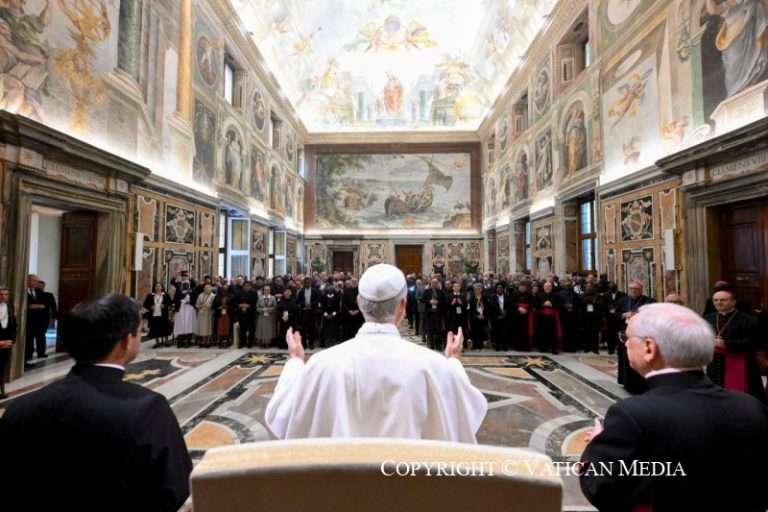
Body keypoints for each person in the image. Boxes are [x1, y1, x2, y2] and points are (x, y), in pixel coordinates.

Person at [0, 294, 192, 511]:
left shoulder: (20, 407)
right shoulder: (147, 407)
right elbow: (174, 491)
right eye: (139, 332)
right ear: (127, 340)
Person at [265, 264, 487, 442]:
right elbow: (467, 414)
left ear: (360, 303)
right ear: (403, 305)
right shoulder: (435, 367)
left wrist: (295, 362)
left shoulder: (321, 364)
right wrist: (453, 361)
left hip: (341, 484)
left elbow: (281, 415)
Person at [580, 303, 768, 512]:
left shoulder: (633, 415)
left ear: (649, 348)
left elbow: (601, 489)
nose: (625, 344)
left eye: (627, 337)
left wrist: (596, 445)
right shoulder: (752, 407)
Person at [704, 289, 764, 402]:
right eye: (715, 300)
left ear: (733, 302)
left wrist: (726, 344)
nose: (718, 302)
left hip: (742, 363)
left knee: (743, 398)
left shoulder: (748, 320)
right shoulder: (707, 319)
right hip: (715, 363)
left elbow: (755, 343)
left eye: (723, 300)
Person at [615, 280, 655, 393]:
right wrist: (624, 315)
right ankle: (626, 383)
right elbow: (615, 314)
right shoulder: (623, 300)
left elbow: (655, 316)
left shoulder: (649, 301)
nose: (633, 290)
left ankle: (641, 384)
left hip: (641, 335)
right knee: (626, 358)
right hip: (625, 334)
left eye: (636, 289)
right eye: (631, 288)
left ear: (641, 290)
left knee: (639, 358)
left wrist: (640, 316)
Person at [24, 273, 48, 364]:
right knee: (28, 338)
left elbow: (45, 305)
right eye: (34, 281)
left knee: (41, 336)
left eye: (37, 281)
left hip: (39, 320)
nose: (36, 283)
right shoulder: (22, 291)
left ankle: (41, 352)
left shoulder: (39, 292)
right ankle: (27, 355)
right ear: (27, 281)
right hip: (27, 320)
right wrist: (30, 307)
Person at [143, 282, 172, 348]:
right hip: (154, 315)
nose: (158, 287)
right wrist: (150, 306)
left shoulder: (165, 295)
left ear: (162, 287)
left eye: (159, 286)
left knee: (164, 327)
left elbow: (170, 302)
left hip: (163, 314)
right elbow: (145, 304)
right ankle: (157, 342)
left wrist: (165, 305)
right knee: (155, 328)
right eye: (156, 286)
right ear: (154, 287)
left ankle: (166, 341)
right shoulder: (150, 295)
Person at [0, 286, 17, 399]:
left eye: (6, 294)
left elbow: (14, 325)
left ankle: (2, 391)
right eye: (1, 294)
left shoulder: (10, 307)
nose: (3, 297)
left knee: (2, 367)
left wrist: (12, 339)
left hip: (6, 343)